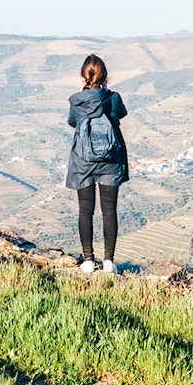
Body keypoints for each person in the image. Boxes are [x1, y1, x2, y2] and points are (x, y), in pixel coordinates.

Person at [65, 54, 128, 274]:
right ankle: (109, 261)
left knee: (85, 210)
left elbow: (73, 122)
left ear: (83, 76)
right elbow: (121, 114)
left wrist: (84, 92)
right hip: (111, 160)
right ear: (105, 75)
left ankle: (89, 260)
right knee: (109, 210)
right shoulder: (113, 98)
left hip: (84, 162)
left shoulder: (76, 101)